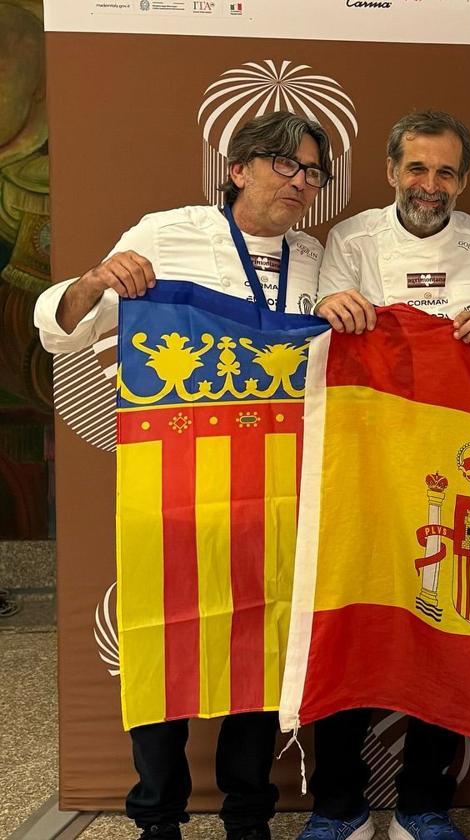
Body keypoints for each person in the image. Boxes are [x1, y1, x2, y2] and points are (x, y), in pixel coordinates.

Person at [34, 111, 333, 840]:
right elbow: (62, 326)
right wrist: (97, 279)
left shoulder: (319, 257)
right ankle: (157, 818)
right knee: (163, 646)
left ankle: (248, 816)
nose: (301, 183)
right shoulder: (165, 232)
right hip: (173, 490)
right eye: (285, 165)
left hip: (277, 495)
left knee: (260, 653)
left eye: (313, 172)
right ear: (238, 169)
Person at [296, 110, 470, 840]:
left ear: (463, 180)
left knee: (443, 630)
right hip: (364, 467)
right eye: (417, 168)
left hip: (454, 465)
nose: (430, 185)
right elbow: (323, 332)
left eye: (445, 172)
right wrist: (328, 306)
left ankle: (423, 806)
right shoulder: (348, 241)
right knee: (349, 626)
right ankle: (338, 805)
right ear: (390, 172)